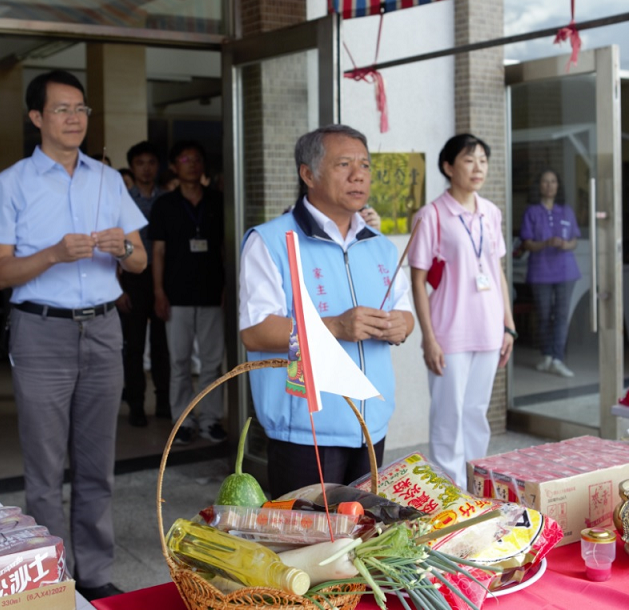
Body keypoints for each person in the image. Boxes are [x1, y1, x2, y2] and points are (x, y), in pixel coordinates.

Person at [0, 70, 146, 601]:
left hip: (102, 328)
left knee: (98, 464)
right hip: (39, 330)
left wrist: (120, 249)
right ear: (36, 118)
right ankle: (52, 575)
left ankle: (93, 572)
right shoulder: (9, 185)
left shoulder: (108, 179)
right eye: (62, 109)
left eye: (81, 110)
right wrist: (53, 253)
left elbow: (138, 260)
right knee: (45, 467)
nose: (74, 119)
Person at [239, 124, 414, 498]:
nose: (358, 176)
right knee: (307, 548)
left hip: (371, 424)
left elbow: (405, 313)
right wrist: (333, 325)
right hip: (306, 430)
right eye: (344, 164)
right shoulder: (270, 241)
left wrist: (402, 325)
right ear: (308, 174)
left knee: (362, 540)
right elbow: (255, 331)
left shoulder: (380, 245)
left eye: (365, 165)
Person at [407, 133, 516, 489]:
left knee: (475, 414)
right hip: (448, 331)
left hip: (488, 328)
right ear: (448, 167)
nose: (478, 167)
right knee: (447, 418)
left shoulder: (491, 213)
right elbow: (418, 279)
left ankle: (478, 490)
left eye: (483, 160)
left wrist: (508, 326)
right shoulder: (432, 215)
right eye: (469, 160)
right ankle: (448, 495)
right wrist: (429, 338)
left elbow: (496, 271)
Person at [149, 141, 226, 445]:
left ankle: (210, 420)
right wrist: (158, 292)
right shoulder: (164, 205)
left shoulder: (218, 201)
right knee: (179, 362)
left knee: (211, 363)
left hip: (211, 293)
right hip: (175, 295)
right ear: (174, 166)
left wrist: (226, 288)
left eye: (196, 159)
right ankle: (182, 420)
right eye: (185, 159)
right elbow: (157, 252)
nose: (192, 164)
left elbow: (224, 249)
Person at [116, 141, 170, 427]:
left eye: (151, 162)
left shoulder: (167, 198)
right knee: (133, 345)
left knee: (162, 344)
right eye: (140, 163)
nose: (147, 168)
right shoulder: (122, 199)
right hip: (131, 277)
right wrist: (118, 288)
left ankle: (163, 401)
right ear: (132, 166)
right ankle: (136, 404)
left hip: (161, 277)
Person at [520, 169, 581, 378]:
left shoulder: (566, 211)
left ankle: (557, 358)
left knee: (562, 315)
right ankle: (546, 355)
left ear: (558, 186)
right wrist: (545, 243)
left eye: (553, 181)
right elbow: (527, 243)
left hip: (566, 271)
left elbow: (574, 240)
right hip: (540, 272)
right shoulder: (531, 212)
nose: (549, 185)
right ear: (539, 186)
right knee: (544, 315)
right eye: (545, 181)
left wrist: (565, 244)